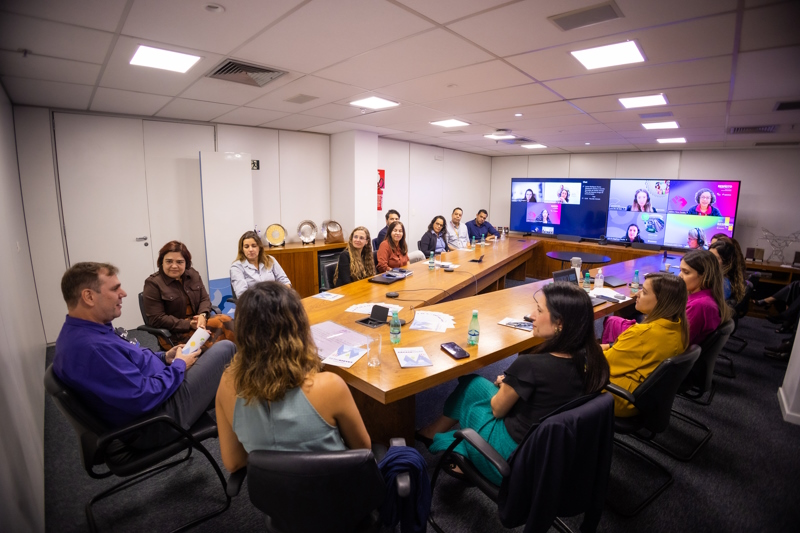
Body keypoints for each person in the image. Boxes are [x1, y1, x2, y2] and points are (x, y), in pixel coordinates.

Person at [417, 283, 609, 485]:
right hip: (552, 456)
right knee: (474, 384)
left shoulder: (530, 366)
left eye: (540, 310)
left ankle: (442, 440)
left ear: (559, 323)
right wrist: (512, 385)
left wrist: (507, 384)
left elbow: (498, 410)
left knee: (471, 392)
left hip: (512, 460)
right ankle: (433, 434)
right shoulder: (595, 362)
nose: (531, 315)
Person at [53, 262, 235, 448]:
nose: (123, 293)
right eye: (115, 289)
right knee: (226, 349)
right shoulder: (92, 349)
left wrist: (165, 357)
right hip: (160, 419)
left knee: (223, 374)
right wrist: (179, 366)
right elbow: (142, 397)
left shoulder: (92, 331)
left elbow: (134, 360)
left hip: (163, 393)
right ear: (89, 296)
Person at [215, 282, 370, 473]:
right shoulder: (330, 386)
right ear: (298, 327)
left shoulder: (227, 384)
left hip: (274, 497)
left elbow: (234, 462)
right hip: (334, 493)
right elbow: (363, 451)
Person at [601, 274, 688, 417]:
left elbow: (602, 365)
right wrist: (608, 348)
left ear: (662, 302)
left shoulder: (642, 334)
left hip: (620, 398)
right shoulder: (678, 327)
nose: (637, 293)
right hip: (643, 398)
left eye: (645, 292)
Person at [143, 241, 235, 351]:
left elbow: (204, 299)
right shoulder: (153, 283)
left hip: (199, 324)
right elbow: (156, 319)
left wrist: (202, 315)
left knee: (227, 320)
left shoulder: (193, 274)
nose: (174, 266)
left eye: (179, 262)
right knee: (218, 347)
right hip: (175, 333)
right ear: (161, 262)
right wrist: (188, 324)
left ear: (186, 263)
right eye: (169, 261)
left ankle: (241, 360)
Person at [678, 250, 729, 346]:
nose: (679, 276)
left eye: (686, 272)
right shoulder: (707, 297)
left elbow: (679, 342)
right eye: (680, 270)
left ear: (704, 276)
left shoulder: (699, 306)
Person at [230, 230, 291, 298]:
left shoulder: (270, 260)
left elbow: (285, 282)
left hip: (275, 301)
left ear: (259, 247)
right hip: (253, 305)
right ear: (242, 249)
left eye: (254, 246)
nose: (250, 249)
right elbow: (242, 295)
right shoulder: (237, 267)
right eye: (246, 247)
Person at [709, 238, 746, 302]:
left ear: (726, 262)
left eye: (715, 258)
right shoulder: (728, 277)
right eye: (709, 256)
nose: (709, 260)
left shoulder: (723, 283)